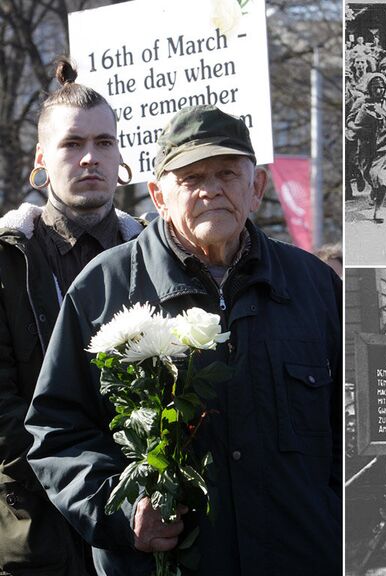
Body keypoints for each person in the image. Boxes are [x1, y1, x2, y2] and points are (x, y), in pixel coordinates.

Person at [25, 105, 342, 576]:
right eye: (191, 178)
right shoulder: (103, 290)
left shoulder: (315, 286)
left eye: (227, 174)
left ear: (256, 189)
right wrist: (122, 510)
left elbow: (351, 428)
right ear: (158, 196)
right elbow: (57, 431)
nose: (211, 190)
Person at [0, 58, 143, 575]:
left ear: (121, 156)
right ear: (41, 157)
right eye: (72, 144)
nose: (90, 158)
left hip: (148, 524)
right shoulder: (8, 259)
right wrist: (86, 482)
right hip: (37, 528)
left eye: (104, 143)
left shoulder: (159, 255)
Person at [348, 74, 386, 222]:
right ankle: (374, 188)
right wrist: (358, 129)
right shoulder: (362, 102)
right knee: (368, 174)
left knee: (382, 178)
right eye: (375, 88)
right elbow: (349, 121)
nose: (379, 91)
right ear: (369, 88)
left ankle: (378, 209)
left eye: (382, 87)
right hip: (367, 146)